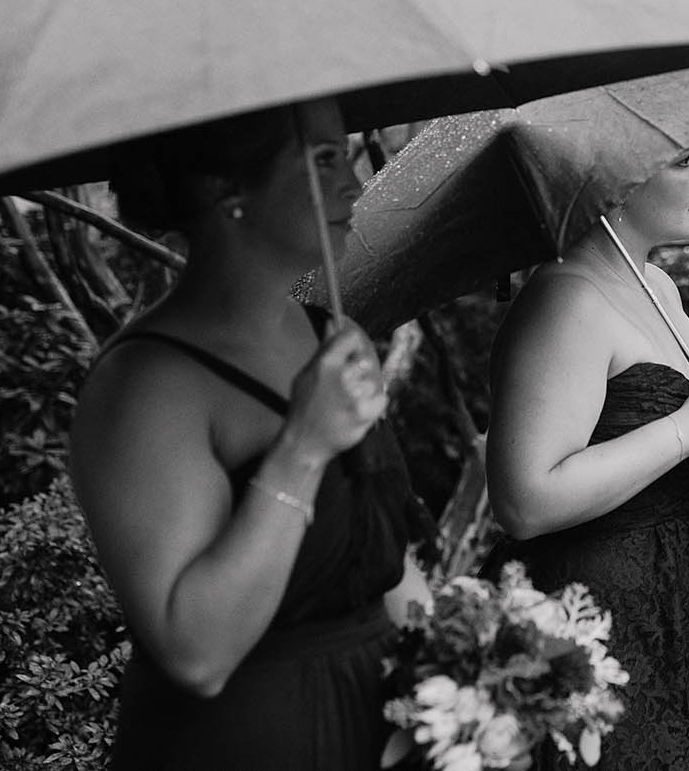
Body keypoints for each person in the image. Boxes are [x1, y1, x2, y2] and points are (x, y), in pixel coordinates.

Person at [69, 99, 431, 771]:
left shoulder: (335, 336)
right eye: (323, 160)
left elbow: (383, 556)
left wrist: (472, 667)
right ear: (223, 187)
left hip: (385, 734)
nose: (353, 184)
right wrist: (303, 447)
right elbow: (196, 652)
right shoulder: (143, 385)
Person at [485, 144, 689, 771]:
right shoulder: (565, 300)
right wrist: (684, 429)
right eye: (683, 160)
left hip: (677, 597)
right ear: (614, 180)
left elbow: (654, 481)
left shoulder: (658, 287)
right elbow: (524, 501)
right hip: (592, 612)